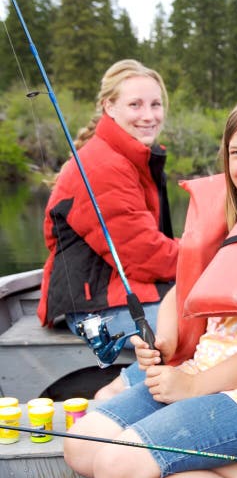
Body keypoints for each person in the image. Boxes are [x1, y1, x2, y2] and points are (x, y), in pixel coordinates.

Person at [62, 88, 237, 478]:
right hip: (202, 372)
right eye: (236, 153)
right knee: (80, 445)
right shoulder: (232, 218)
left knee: (119, 473)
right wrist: (167, 340)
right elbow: (180, 294)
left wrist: (192, 386)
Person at [37, 59, 179, 398]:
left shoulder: (127, 157)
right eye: (135, 104)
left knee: (209, 312)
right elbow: (144, 256)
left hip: (118, 291)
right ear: (109, 107)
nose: (149, 115)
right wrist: (212, 258)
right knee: (203, 328)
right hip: (91, 309)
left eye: (155, 104)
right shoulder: (102, 165)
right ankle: (118, 392)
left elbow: (145, 244)